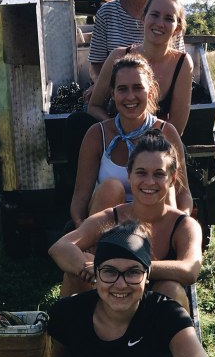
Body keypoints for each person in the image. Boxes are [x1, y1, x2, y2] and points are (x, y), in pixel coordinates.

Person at [50, 128, 202, 309]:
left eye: (159, 174)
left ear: (172, 179)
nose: (149, 182)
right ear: (129, 175)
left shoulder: (184, 225)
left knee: (169, 288)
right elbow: (60, 247)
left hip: (154, 313)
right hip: (112, 305)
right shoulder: (112, 216)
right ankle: (67, 334)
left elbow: (190, 269)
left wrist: (132, 269)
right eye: (141, 172)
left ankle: (175, 337)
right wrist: (96, 269)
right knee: (74, 275)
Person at [48, 221, 215, 357]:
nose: (120, 285)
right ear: (96, 274)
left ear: (147, 275)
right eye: (110, 272)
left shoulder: (165, 313)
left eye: (133, 272)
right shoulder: (70, 312)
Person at [70, 54, 192, 229]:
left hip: (153, 228)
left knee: (167, 188)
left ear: (149, 92)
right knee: (111, 188)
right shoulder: (97, 134)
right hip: (107, 228)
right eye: (122, 89)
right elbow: (79, 201)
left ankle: (157, 252)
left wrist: (182, 226)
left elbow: (183, 195)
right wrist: (81, 233)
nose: (130, 96)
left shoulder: (166, 132)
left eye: (137, 88)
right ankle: (100, 252)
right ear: (112, 93)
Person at [88, 0, 193, 135]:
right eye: (154, 15)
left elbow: (177, 127)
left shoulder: (183, 63)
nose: (160, 23)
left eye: (169, 18)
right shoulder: (118, 56)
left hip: (156, 146)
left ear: (178, 28)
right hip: (116, 139)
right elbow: (94, 106)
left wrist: (143, 145)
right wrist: (117, 133)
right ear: (143, 17)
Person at [87, 0, 184, 86]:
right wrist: (103, 88)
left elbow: (178, 63)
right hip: (119, 95)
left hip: (161, 92)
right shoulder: (106, 13)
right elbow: (96, 65)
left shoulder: (168, 12)